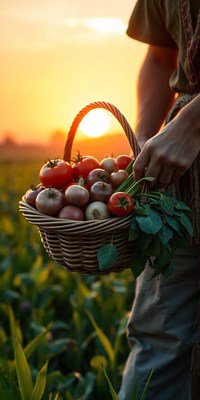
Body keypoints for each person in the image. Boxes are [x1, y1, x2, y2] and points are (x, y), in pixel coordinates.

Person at [118, 1, 200, 399]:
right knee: (158, 333)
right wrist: (146, 136)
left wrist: (193, 122)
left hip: (188, 134)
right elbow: (159, 56)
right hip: (179, 180)